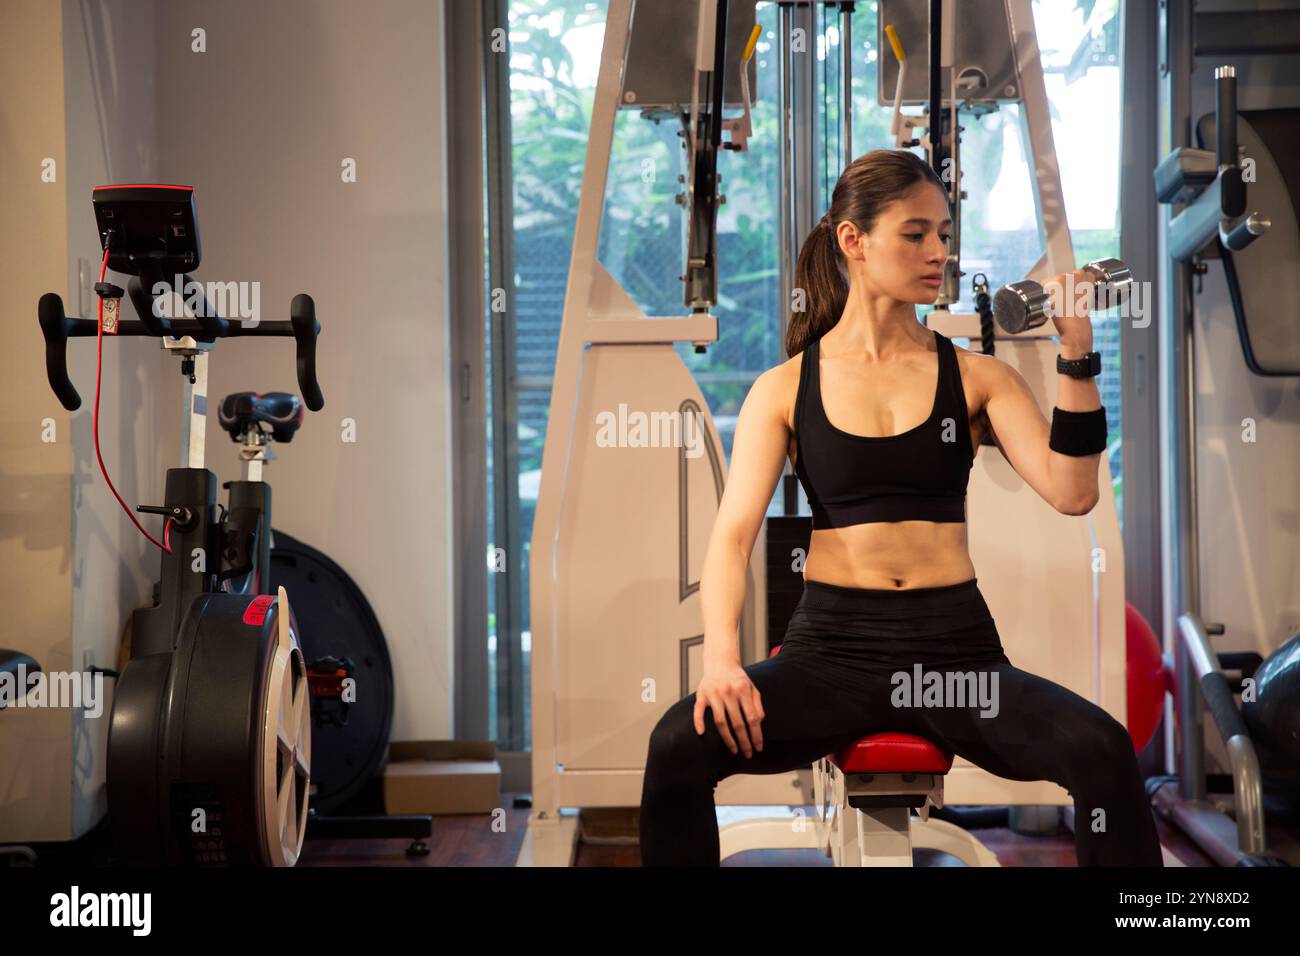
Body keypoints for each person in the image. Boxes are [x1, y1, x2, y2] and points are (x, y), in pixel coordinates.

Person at [638, 148, 1164, 867]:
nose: (938, 253)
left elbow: (1073, 492)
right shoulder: (784, 388)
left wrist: (1077, 358)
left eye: (945, 235)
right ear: (853, 241)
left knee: (1103, 752)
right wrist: (723, 662)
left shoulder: (979, 377)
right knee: (676, 745)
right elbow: (731, 538)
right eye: (915, 234)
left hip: (954, 651)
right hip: (830, 654)